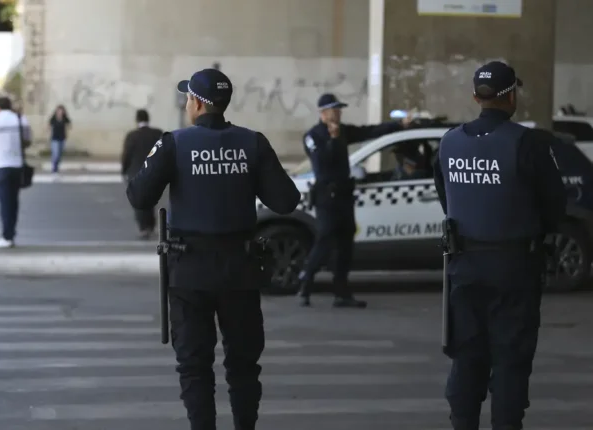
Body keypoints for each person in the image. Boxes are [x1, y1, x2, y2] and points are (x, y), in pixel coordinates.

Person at [126, 68, 300, 430]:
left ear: (197, 103)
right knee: (244, 365)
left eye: (187, 96)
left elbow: (139, 195)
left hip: (189, 271)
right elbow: (286, 200)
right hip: (241, 269)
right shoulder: (253, 142)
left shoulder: (174, 142)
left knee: (194, 365)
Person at [433, 61, 566, 430]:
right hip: (514, 268)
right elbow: (555, 206)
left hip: (463, 266)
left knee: (466, 356)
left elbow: (447, 198)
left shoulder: (449, 141)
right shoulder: (528, 143)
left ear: (476, 97)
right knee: (510, 359)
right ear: (511, 97)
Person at [296, 93, 414, 307]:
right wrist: (332, 139)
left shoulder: (343, 131)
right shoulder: (313, 136)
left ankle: (341, 293)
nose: (338, 113)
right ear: (323, 113)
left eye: (339, 109)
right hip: (326, 197)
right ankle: (306, 281)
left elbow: (370, 131)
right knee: (325, 238)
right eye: (334, 109)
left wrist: (398, 126)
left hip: (344, 195)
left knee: (345, 244)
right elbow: (322, 162)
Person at [0, 96, 32, 248]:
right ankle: (11, 233)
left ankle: (6, 236)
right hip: (17, 165)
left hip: (1, 165)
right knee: (14, 202)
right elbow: (27, 140)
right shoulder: (20, 119)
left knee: (4, 203)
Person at [121, 109, 163, 239]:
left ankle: (144, 228)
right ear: (148, 119)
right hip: (154, 171)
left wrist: (124, 170)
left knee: (139, 201)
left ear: (137, 120)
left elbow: (126, 155)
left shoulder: (132, 135)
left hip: (136, 172)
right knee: (151, 200)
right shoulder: (157, 133)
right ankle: (151, 225)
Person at [48, 105, 71, 174]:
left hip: (62, 138)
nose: (60, 112)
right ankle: (54, 168)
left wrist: (67, 129)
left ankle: (56, 166)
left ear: (63, 112)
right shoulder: (53, 118)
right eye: (58, 110)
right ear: (56, 111)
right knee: (56, 154)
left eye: (61, 111)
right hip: (54, 138)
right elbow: (49, 125)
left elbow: (69, 124)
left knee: (60, 154)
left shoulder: (65, 118)